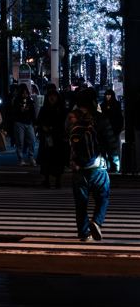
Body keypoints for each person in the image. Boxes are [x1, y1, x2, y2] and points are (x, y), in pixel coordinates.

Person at [66, 89, 114, 242]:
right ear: (93, 101)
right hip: (97, 166)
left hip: (77, 166)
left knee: (80, 203)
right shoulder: (100, 117)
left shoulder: (71, 117)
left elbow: (66, 136)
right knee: (102, 197)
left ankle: (83, 233)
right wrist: (115, 163)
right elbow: (110, 142)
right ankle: (96, 222)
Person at [36, 89, 68, 188]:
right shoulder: (44, 109)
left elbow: (65, 124)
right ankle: (47, 181)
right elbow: (38, 123)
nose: (52, 97)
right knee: (46, 161)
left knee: (58, 160)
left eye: (54, 95)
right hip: (47, 138)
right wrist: (42, 127)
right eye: (50, 95)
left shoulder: (62, 110)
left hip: (58, 138)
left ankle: (57, 181)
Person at [11, 84, 38, 166]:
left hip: (28, 123)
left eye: (26, 93)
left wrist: (35, 123)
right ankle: (21, 159)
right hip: (19, 123)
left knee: (32, 140)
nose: (25, 95)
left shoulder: (30, 101)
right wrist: (21, 110)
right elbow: (13, 112)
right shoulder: (16, 101)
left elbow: (33, 113)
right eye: (23, 93)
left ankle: (31, 158)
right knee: (20, 142)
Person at [100, 89, 123, 173]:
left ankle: (113, 166)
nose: (107, 96)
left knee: (112, 149)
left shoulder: (115, 105)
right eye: (106, 95)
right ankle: (111, 166)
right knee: (108, 149)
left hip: (113, 129)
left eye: (109, 95)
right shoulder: (103, 105)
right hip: (107, 130)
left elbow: (119, 118)